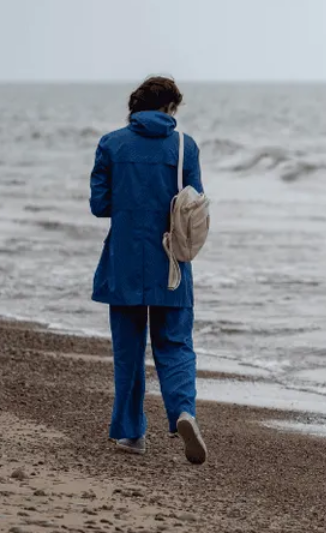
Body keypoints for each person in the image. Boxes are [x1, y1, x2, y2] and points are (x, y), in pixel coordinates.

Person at [89, 76, 207, 464]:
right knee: (174, 344)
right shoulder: (183, 145)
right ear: (170, 108)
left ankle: (131, 433)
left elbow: (100, 205)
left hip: (123, 260)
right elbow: (194, 202)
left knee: (128, 350)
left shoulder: (111, 143)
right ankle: (183, 412)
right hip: (169, 259)